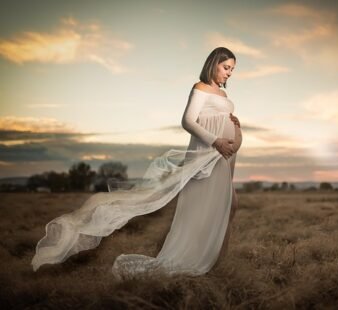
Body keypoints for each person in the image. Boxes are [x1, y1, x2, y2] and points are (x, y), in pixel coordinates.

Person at [31, 47, 243, 280]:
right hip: (208, 153)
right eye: (226, 67)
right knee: (206, 209)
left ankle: (214, 259)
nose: (229, 73)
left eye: (232, 69)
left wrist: (235, 126)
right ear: (213, 64)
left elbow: (224, 121)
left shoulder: (223, 96)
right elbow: (188, 121)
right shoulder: (200, 88)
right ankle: (196, 258)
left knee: (228, 205)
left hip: (224, 156)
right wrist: (215, 141)